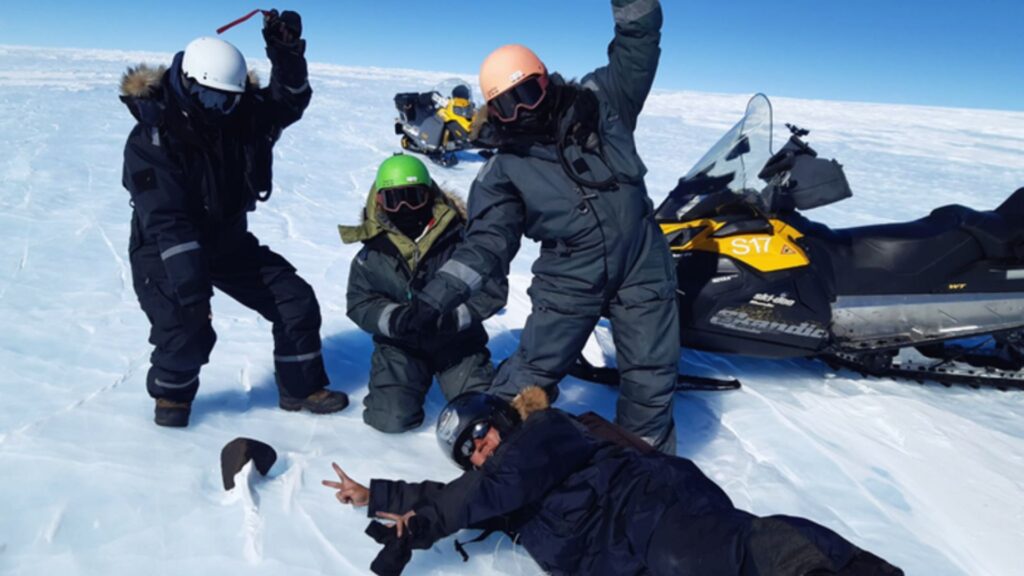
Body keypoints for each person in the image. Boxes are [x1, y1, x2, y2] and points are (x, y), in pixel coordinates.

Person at [389, 0, 681, 454]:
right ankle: (495, 451)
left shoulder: (601, 104)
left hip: (643, 263)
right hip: (571, 278)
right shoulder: (503, 172)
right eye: (505, 105)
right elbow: (485, 245)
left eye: (529, 93)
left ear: (547, 81)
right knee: (532, 371)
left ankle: (647, 470)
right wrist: (433, 300)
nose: (522, 111)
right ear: (493, 112)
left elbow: (638, 44)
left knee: (651, 374)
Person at [323, 390, 904, 576]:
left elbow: (472, 497)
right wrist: (378, 497)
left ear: (503, 421)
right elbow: (458, 496)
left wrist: (425, 525)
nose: (480, 449)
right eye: (468, 451)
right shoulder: (496, 490)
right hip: (614, 561)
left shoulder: (543, 432)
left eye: (482, 433)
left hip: (647, 511)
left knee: (713, 551)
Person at [119, 10, 348, 427]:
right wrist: (194, 295)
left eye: (228, 99)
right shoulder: (152, 138)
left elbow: (290, 98)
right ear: (187, 84)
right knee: (189, 330)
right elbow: (167, 220)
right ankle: (171, 400)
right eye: (210, 98)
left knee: (293, 299)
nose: (219, 109)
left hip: (226, 240)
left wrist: (286, 52)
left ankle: (300, 389)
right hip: (164, 247)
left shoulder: (237, 113)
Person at [339, 154, 508, 432]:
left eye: (414, 196)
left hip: (457, 343)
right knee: (389, 421)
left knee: (481, 414)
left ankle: (508, 377)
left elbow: (492, 289)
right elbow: (359, 301)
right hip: (401, 346)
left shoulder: (462, 239)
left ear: (429, 195)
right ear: (380, 202)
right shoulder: (372, 252)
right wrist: (395, 320)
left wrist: (451, 320)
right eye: (395, 199)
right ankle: (406, 383)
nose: (405, 207)